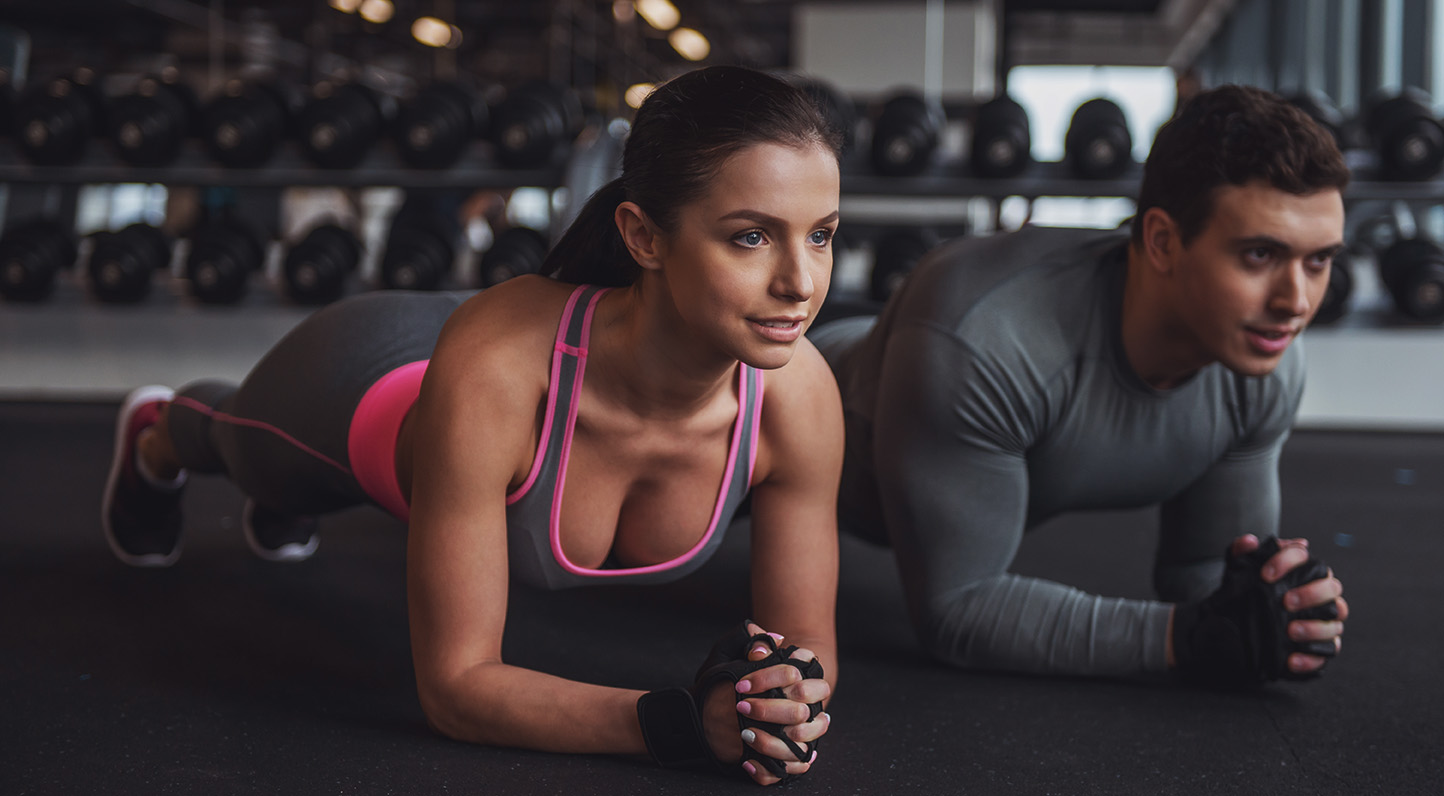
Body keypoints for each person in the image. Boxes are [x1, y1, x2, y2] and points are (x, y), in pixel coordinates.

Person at [100, 66, 843, 785]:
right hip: (371, 373)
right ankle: (159, 431)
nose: (801, 284)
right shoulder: (500, 368)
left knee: (298, 501)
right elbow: (455, 688)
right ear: (644, 237)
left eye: (821, 235)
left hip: (509, 353)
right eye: (751, 236)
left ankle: (285, 501)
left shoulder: (799, 395)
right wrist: (680, 725)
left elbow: (809, 653)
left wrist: (776, 702)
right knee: (241, 448)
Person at [813, 84, 1350, 684]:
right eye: (1259, 255)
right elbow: (957, 610)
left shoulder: (1262, 364)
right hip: (773, 407)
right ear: (1163, 242)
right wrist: (1188, 640)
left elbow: (1202, 576)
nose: (1296, 301)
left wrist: (1277, 607)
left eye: (1319, 260)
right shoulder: (985, 334)